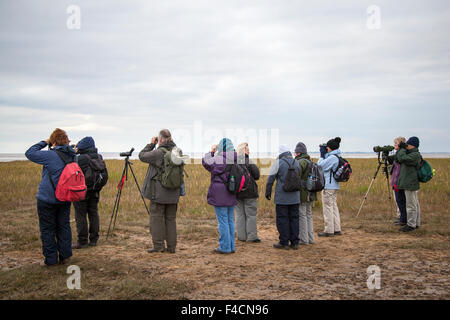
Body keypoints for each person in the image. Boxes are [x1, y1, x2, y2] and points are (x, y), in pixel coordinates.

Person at [25, 128, 76, 266]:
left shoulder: (50, 155)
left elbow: (29, 153)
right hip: (65, 197)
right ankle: (65, 256)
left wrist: (44, 142)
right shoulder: (72, 155)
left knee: (47, 229)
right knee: (64, 226)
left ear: (53, 141)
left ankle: (51, 259)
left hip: (47, 198)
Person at [139, 129, 182, 253]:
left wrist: (151, 144)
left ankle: (158, 246)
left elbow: (142, 155)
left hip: (158, 193)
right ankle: (172, 247)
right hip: (174, 192)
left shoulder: (158, 153)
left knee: (156, 218)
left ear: (160, 139)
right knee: (171, 219)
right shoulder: (177, 152)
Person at [202, 138, 237, 254]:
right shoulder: (236, 159)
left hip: (219, 192)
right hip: (232, 192)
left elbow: (206, 162)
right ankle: (231, 246)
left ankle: (225, 247)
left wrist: (211, 151)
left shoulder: (218, 159)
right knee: (230, 220)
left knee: (222, 221)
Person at [265, 145, 301, 250]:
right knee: (294, 219)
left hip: (282, 197)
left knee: (282, 219)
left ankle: (284, 242)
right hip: (295, 196)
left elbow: (270, 179)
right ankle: (295, 242)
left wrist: (268, 192)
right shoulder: (296, 162)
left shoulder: (278, 163)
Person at [72, 136, 103, 249]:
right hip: (95, 191)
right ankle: (94, 239)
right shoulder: (99, 157)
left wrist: (75, 151)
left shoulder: (80, 159)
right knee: (93, 213)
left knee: (80, 215)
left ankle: (82, 241)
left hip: (81, 191)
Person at [235, 142, 261, 243]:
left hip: (237, 192)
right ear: (244, 151)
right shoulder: (248, 161)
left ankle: (241, 236)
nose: (249, 151)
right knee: (251, 215)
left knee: (239, 214)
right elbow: (257, 175)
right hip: (250, 192)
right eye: (247, 149)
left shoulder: (234, 162)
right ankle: (252, 236)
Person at [395, 136, 422, 232]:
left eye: (408, 144)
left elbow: (402, 158)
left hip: (410, 183)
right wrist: (402, 149)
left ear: (412, 145)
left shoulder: (415, 155)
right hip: (410, 182)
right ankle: (416, 223)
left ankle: (411, 225)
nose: (406, 146)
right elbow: (399, 158)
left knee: (411, 205)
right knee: (414, 204)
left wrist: (401, 148)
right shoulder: (412, 153)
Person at [317, 137, 342, 237]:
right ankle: (336, 229)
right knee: (333, 207)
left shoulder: (332, 158)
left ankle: (329, 230)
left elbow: (320, 166)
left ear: (330, 148)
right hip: (334, 185)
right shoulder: (336, 156)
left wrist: (321, 156)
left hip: (328, 186)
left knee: (327, 208)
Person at [294, 142, 317, 245]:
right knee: (308, 215)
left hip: (303, 193)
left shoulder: (300, 162)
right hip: (311, 192)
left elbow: (295, 176)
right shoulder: (310, 161)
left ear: (298, 153)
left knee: (302, 215)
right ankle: (310, 238)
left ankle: (304, 239)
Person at [388, 137, 407, 227]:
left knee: (400, 200)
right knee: (399, 200)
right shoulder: (399, 154)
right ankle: (402, 218)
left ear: (400, 144)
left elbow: (398, 170)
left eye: (395, 143)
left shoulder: (401, 155)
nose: (394, 145)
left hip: (398, 181)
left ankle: (403, 219)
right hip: (396, 181)